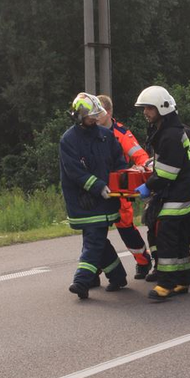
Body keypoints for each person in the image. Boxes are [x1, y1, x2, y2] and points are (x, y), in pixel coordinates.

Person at [60, 93, 129, 299]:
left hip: (107, 199)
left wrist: (121, 182)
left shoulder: (105, 135)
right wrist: (98, 186)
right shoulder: (68, 140)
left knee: (95, 240)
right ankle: (105, 277)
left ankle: (91, 280)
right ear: (79, 116)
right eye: (91, 116)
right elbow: (74, 171)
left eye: (96, 115)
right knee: (96, 240)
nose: (95, 119)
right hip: (84, 201)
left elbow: (119, 161)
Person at [134, 86, 190, 300]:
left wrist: (148, 187)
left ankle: (166, 283)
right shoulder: (168, 130)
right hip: (181, 193)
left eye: (149, 108)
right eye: (144, 108)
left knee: (166, 239)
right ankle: (182, 280)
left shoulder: (170, 135)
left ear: (162, 108)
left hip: (175, 196)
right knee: (180, 238)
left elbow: (167, 174)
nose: (146, 112)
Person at [96, 95, 153, 280]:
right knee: (94, 233)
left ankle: (143, 261)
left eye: (100, 112)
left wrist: (141, 169)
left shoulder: (120, 133)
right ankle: (94, 268)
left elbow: (140, 156)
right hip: (97, 189)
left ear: (109, 112)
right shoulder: (88, 131)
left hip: (118, 188)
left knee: (126, 228)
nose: (96, 116)